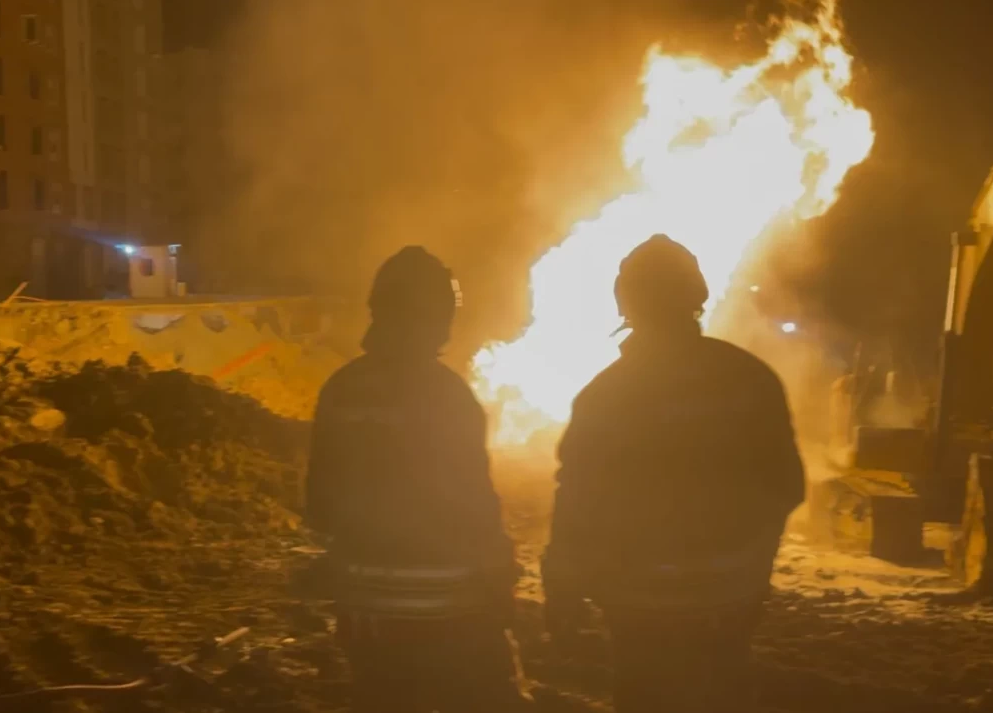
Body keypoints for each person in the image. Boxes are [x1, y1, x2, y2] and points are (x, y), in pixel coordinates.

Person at [543, 234, 806, 713]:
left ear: (625, 303)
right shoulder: (751, 379)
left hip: (637, 606)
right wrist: (747, 562)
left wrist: (563, 593)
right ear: (696, 296)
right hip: (727, 602)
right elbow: (787, 485)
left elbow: (577, 505)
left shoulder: (606, 395)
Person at [304, 246, 529, 713]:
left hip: (367, 615)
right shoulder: (447, 395)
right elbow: (475, 505)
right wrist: (500, 583)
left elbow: (320, 504)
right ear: (438, 316)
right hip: (452, 615)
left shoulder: (341, 390)